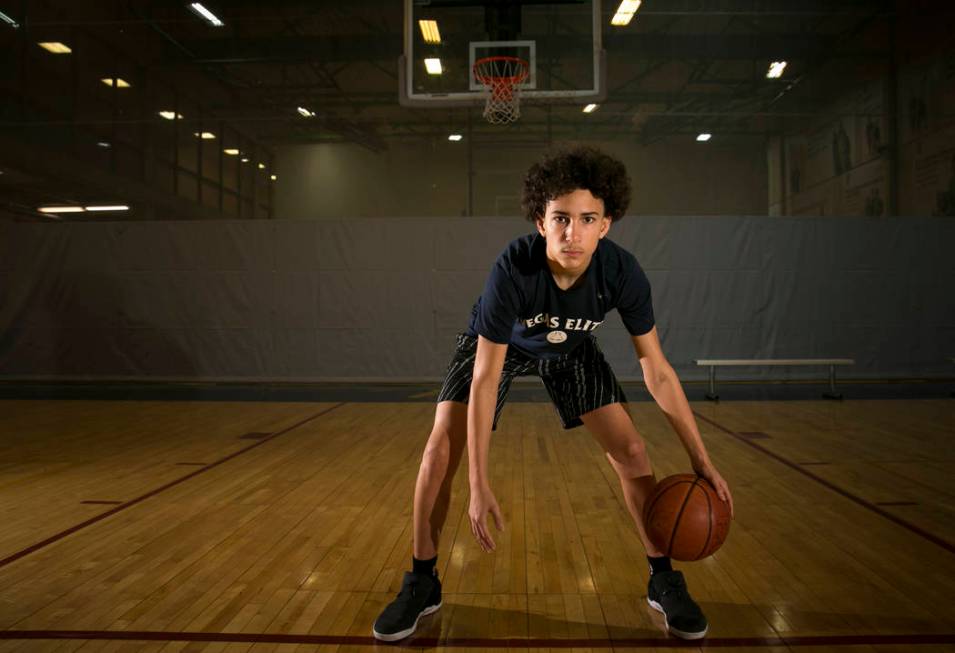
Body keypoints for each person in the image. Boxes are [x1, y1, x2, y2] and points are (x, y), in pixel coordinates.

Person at [372, 146, 733, 642]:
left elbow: (658, 370)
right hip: (499, 347)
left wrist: (702, 458)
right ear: (540, 221)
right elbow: (484, 377)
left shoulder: (621, 273)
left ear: (606, 225)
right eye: (561, 218)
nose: (572, 232)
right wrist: (479, 482)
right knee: (438, 451)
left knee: (631, 450)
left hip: (572, 349)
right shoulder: (513, 269)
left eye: (588, 219)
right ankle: (421, 581)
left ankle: (663, 578)